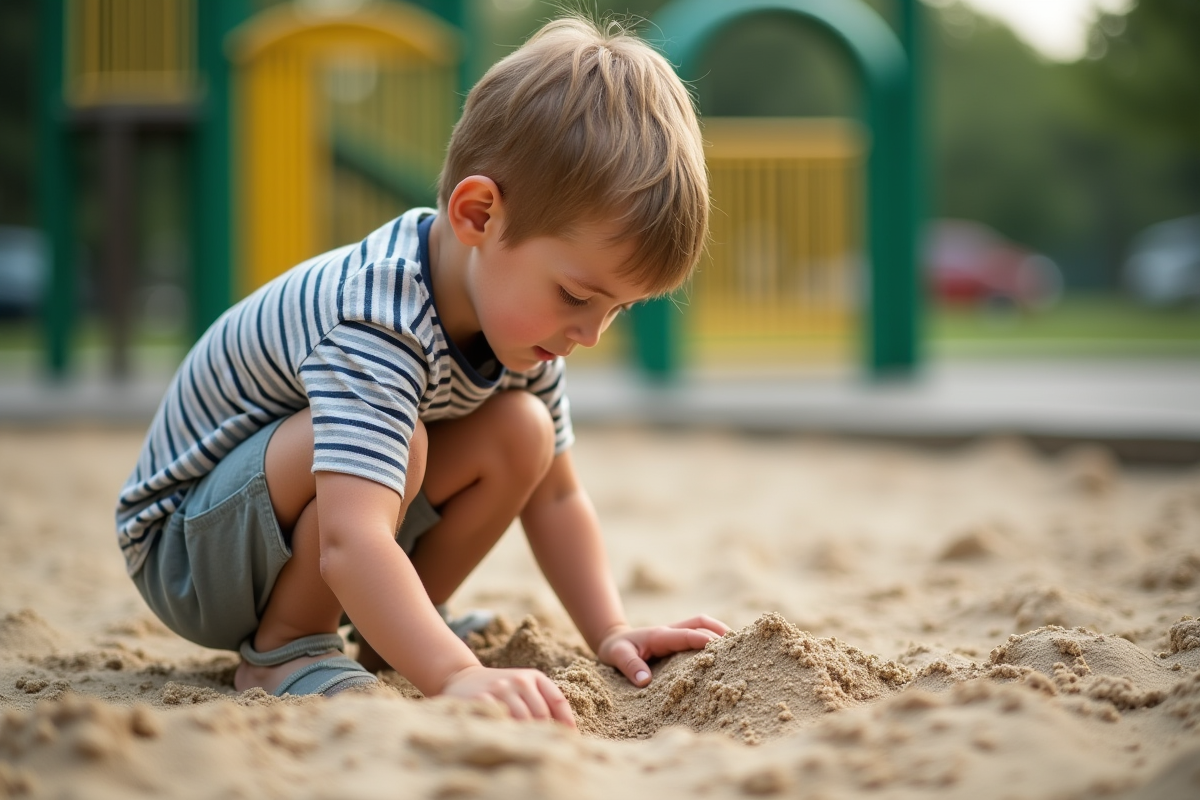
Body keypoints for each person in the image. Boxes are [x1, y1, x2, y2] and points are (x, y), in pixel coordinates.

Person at [115, 15, 727, 727]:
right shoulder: (377, 316)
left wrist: (610, 630)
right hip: (188, 549)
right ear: (478, 215)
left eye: (618, 310)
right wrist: (456, 675)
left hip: (298, 526)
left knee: (523, 434)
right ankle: (284, 646)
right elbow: (350, 537)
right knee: (395, 443)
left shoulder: (521, 328)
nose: (590, 333)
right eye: (577, 296)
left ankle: (389, 629)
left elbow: (557, 498)